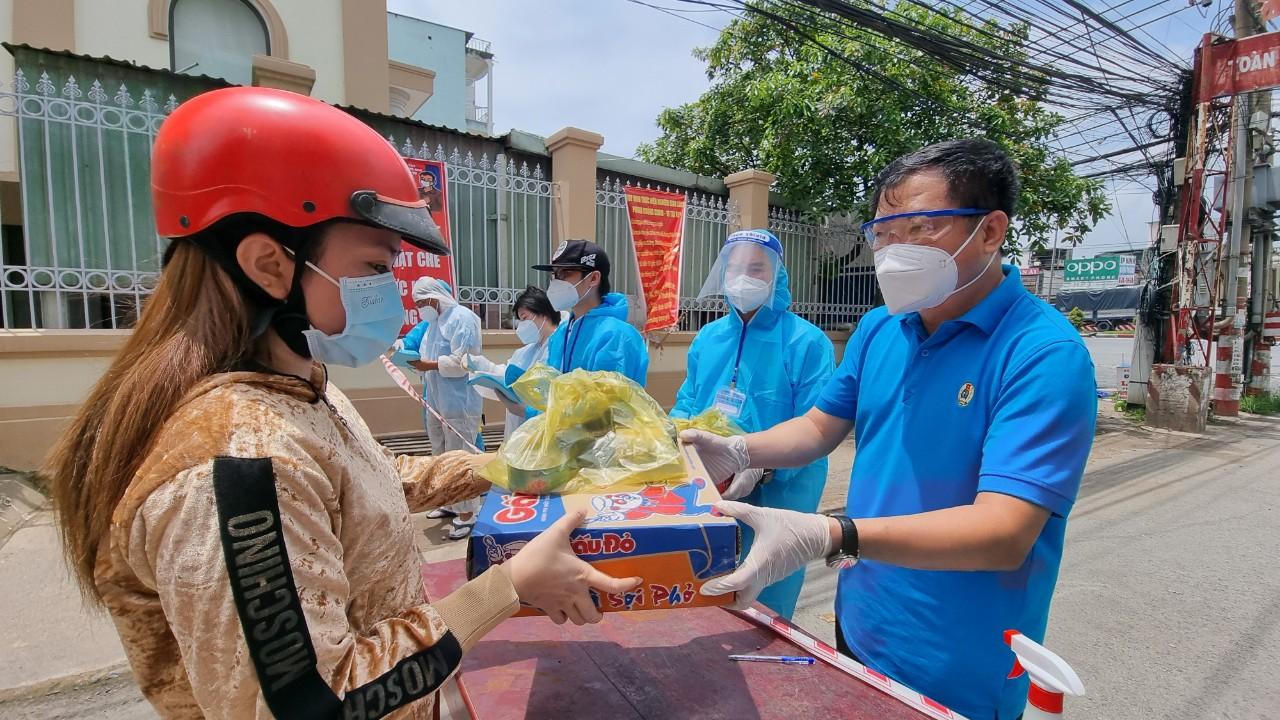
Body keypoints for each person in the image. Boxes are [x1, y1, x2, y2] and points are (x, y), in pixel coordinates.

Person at [41, 87, 638, 720]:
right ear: (270, 264)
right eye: (376, 266)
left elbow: (368, 481)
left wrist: (501, 470)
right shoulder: (237, 466)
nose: (397, 295)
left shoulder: (296, 386)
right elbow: (310, 705)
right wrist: (509, 587)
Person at [681, 139, 1097, 720]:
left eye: (921, 229)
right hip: (863, 618)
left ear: (991, 230)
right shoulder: (881, 327)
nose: (895, 252)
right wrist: (738, 448)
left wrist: (831, 535)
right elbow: (819, 426)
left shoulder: (1041, 352)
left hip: (963, 653)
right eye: (883, 233)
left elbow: (1005, 531)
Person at [669, 228, 834, 619]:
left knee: (764, 599)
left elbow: (818, 427)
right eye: (734, 268)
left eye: (757, 268)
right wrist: (676, 440)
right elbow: (687, 401)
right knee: (704, 585)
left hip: (781, 493)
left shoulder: (806, 342)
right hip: (710, 486)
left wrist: (761, 465)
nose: (743, 278)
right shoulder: (708, 337)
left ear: (778, 275)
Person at [407, 276, 487, 540]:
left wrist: (427, 364)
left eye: (422, 302)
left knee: (459, 456)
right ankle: (449, 502)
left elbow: (463, 362)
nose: (420, 307)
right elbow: (424, 357)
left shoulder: (462, 318)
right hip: (436, 399)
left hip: (459, 401)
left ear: (434, 297)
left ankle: (468, 513)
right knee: (440, 452)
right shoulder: (432, 324)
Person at [532, 238, 649, 384]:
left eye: (565, 273)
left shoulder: (617, 335)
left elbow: (606, 400)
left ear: (593, 278)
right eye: (555, 275)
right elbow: (552, 391)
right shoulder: (561, 333)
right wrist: (525, 406)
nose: (556, 282)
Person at [464, 286, 561, 438]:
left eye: (525, 318)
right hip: (519, 428)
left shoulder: (560, 346)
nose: (521, 325)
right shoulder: (527, 351)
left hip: (543, 429)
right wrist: (483, 366)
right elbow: (508, 374)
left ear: (543, 314)